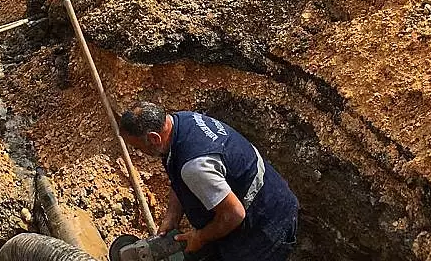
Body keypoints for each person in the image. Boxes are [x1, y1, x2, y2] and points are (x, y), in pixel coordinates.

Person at [119, 102, 299, 261]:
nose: (139, 151)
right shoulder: (181, 122)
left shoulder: (196, 166)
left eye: (137, 147)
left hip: (266, 223)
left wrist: (200, 237)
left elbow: (234, 214)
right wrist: (172, 217)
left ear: (153, 138)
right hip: (256, 198)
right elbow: (179, 177)